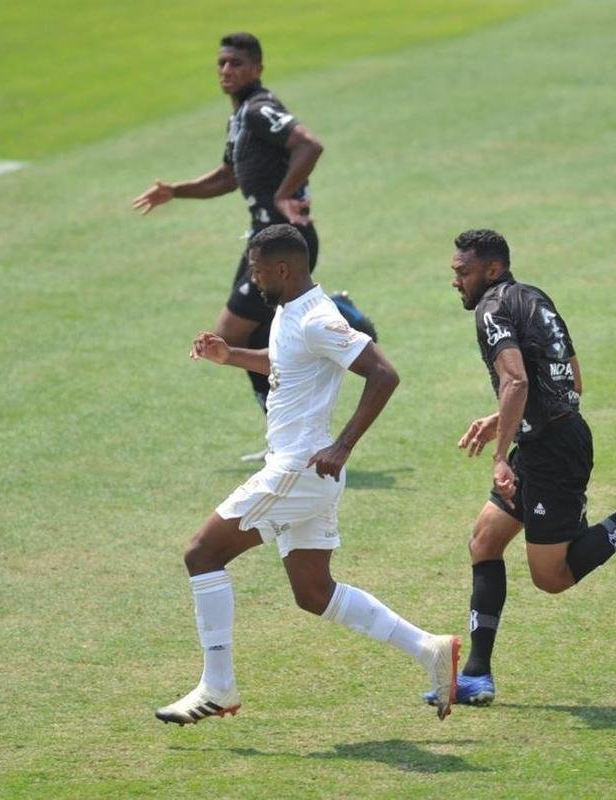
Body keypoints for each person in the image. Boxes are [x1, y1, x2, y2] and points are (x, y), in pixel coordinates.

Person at [158, 224, 459, 725]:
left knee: (202, 553)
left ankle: (218, 686)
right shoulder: (289, 313)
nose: (251, 279)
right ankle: (429, 649)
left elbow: (384, 374)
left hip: (297, 468)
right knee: (313, 593)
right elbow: (285, 363)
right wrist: (231, 356)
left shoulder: (318, 317)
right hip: (306, 473)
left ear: (283, 269)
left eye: (256, 270)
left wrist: (343, 445)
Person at [423, 229, 616, 708]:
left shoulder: (491, 310)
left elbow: (515, 378)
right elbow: (571, 379)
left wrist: (499, 454)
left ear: (491, 270)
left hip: (553, 453)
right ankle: (477, 674)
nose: (456, 281)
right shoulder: (535, 299)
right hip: (544, 438)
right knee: (485, 541)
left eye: (462, 271)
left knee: (551, 577)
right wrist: (506, 420)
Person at [133, 32, 333, 455]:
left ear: (257, 69)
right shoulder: (241, 116)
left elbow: (310, 145)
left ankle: (349, 318)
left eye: (237, 64)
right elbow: (228, 176)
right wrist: (176, 190)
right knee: (258, 333)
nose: (227, 70)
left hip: (284, 245)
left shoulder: (261, 110)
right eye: (222, 63)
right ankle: (286, 436)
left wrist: (284, 194)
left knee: (231, 333)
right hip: (262, 245)